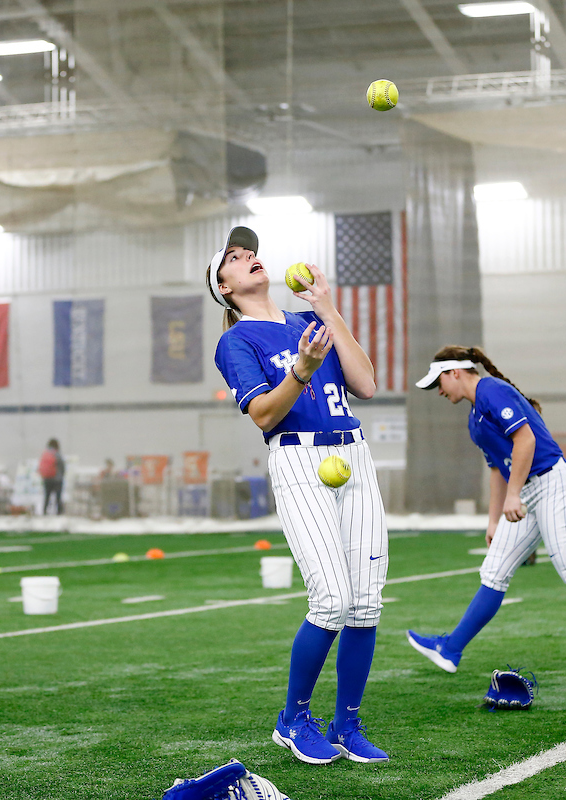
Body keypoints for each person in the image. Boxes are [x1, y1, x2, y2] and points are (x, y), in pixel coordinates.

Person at [209, 227, 389, 765]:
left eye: (251, 251)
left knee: (366, 604)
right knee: (330, 600)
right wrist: (300, 370)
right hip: (299, 459)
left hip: (353, 455)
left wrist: (327, 307)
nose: (251, 258)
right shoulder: (236, 340)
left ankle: (347, 725)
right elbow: (263, 413)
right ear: (224, 288)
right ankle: (292, 719)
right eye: (236, 259)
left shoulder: (309, 321)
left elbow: (368, 384)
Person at [405, 347, 566, 679]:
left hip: (554, 483)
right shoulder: (474, 417)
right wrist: (492, 520)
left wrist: (513, 495)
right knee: (494, 571)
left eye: (439, 382)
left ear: (456, 372)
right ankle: (451, 649)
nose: (439, 391)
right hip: (529, 490)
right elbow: (495, 471)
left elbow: (525, 440)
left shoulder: (491, 390)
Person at [38, 439, 65, 515]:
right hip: (57, 479)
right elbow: (62, 466)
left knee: (47, 496)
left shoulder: (45, 454)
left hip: (47, 479)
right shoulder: (57, 454)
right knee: (58, 497)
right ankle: (59, 512)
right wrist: (61, 475)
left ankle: (44, 511)